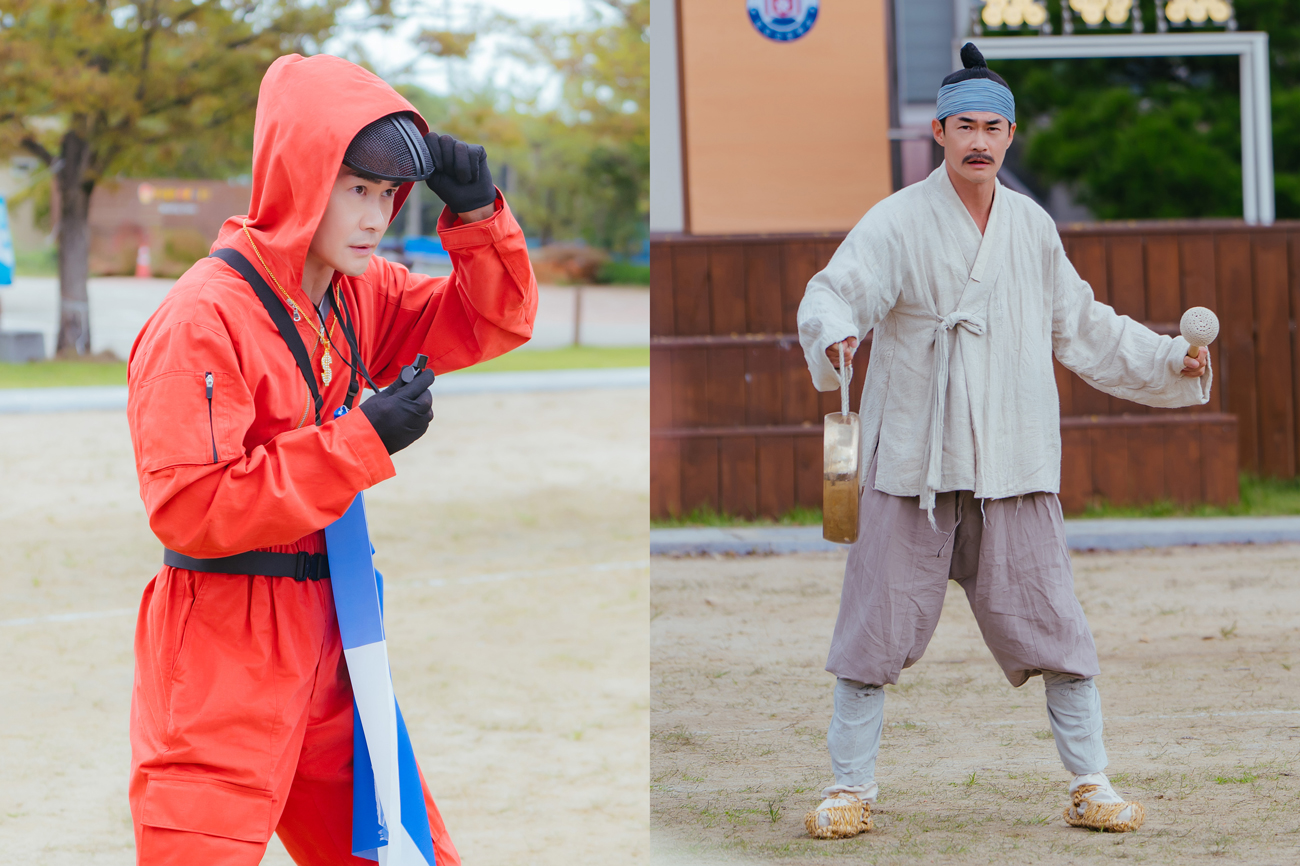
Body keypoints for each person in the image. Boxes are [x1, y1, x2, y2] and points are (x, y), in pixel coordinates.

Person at [125, 53, 537, 864]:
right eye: (356, 188)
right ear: (297, 176)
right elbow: (191, 509)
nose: (376, 216)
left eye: (387, 195)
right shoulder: (199, 319)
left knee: (408, 856)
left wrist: (481, 216)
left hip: (341, 637)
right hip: (222, 650)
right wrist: (363, 440)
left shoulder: (356, 292)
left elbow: (490, 321)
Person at [796, 43, 1210, 839]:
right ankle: (849, 788)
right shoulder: (897, 220)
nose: (978, 141)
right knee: (871, 632)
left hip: (1013, 460)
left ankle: (1090, 782)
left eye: (993, 127)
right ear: (940, 133)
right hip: (909, 459)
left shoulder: (1032, 227)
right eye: (964, 127)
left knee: (1057, 626)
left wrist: (1169, 356)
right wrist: (837, 336)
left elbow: (1083, 326)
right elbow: (833, 291)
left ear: (1011, 135)